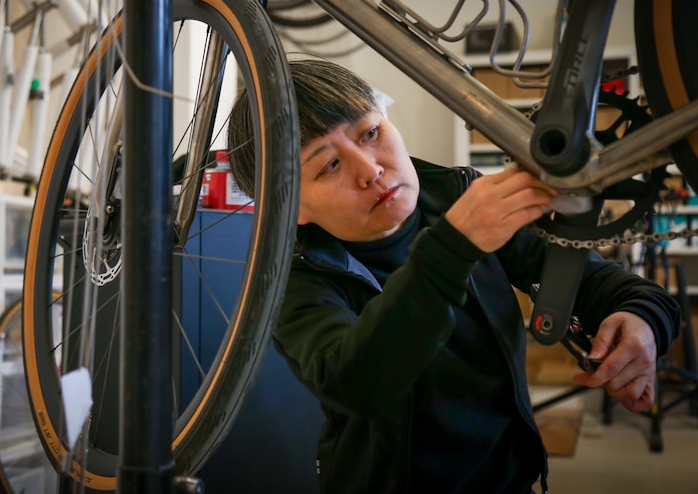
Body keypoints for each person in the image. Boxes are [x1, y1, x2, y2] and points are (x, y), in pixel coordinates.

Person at [226, 59, 681, 494]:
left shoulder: (457, 195)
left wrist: (642, 319)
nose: (371, 170)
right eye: (328, 165)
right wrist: (454, 246)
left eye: (370, 132)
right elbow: (358, 382)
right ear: (291, 206)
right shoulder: (295, 277)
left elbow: (591, 280)